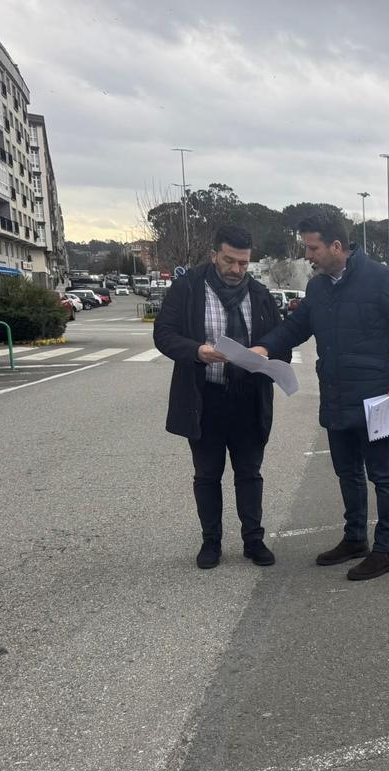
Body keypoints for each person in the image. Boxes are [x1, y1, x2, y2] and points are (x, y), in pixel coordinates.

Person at [251, 213, 389, 581]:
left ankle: (385, 549)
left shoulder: (381, 280)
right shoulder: (318, 288)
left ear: (336, 246)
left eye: (312, 248)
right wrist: (264, 349)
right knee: (346, 472)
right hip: (335, 396)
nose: (308, 255)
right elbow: (296, 328)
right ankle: (355, 539)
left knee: (383, 475)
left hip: (376, 401)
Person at [154, 224, 291, 569]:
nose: (236, 270)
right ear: (214, 254)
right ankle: (211, 543)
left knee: (250, 473)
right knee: (207, 475)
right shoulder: (188, 287)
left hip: (248, 399)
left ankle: (253, 540)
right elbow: (164, 334)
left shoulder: (259, 295)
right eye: (229, 261)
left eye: (243, 263)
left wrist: (266, 353)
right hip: (205, 398)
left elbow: (281, 344)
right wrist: (197, 351)